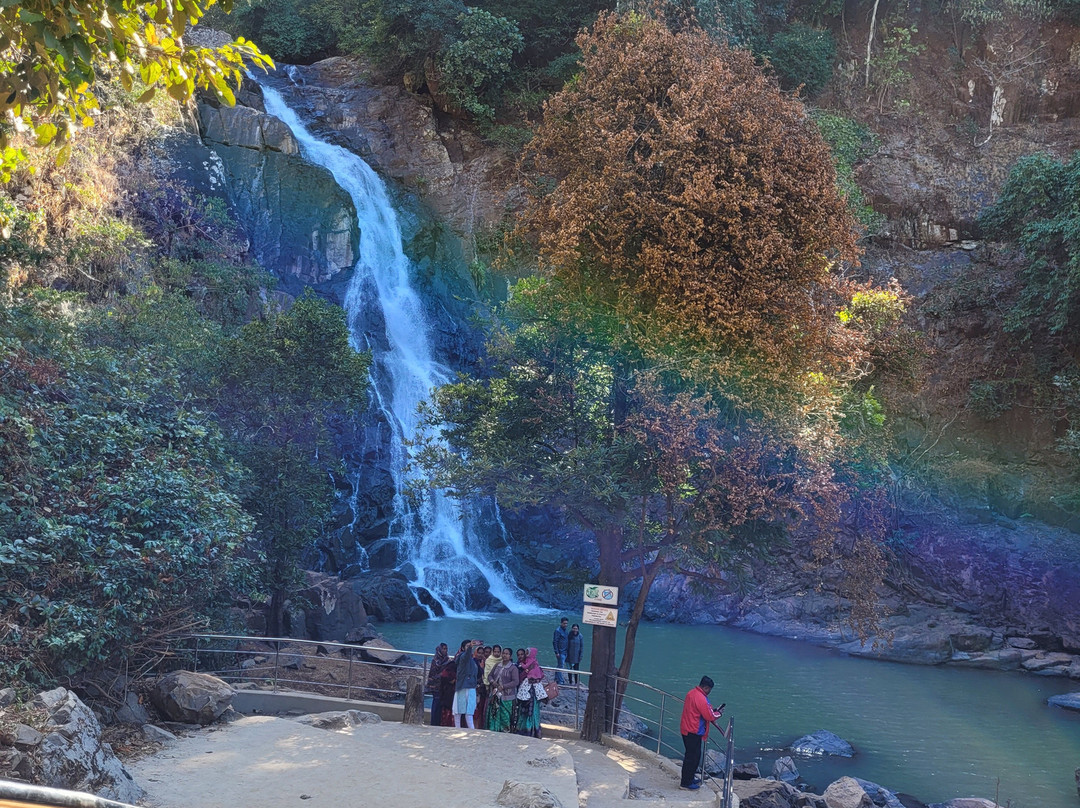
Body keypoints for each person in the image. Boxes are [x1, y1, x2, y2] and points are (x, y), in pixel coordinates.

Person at [679, 676, 725, 790]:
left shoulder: (692, 693)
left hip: (687, 728)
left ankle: (689, 778)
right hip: (693, 731)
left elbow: (701, 711)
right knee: (692, 757)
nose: (710, 692)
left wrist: (713, 711)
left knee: (693, 755)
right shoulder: (701, 698)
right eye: (709, 689)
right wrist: (719, 713)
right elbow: (709, 716)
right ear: (705, 687)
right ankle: (685, 783)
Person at [487, 646, 520, 732]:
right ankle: (494, 730)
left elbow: (516, 682)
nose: (505, 655)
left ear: (510, 656)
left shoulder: (513, 668)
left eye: (507, 654)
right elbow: (489, 675)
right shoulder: (497, 665)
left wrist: (504, 686)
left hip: (507, 697)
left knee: (505, 716)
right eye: (504, 653)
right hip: (495, 695)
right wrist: (492, 682)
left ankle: (505, 733)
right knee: (494, 714)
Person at [516, 647, 545, 738]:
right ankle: (523, 729)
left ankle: (531, 730)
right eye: (518, 655)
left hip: (533, 692)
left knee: (532, 711)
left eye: (522, 654)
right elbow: (518, 679)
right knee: (523, 711)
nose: (520, 656)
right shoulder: (518, 666)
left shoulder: (533, 664)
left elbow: (539, 675)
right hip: (523, 692)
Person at [453, 638, 482, 729]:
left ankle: (471, 730)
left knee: (469, 711)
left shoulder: (472, 660)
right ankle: (457, 729)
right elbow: (466, 655)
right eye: (467, 646)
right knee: (458, 710)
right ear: (462, 648)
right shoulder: (462, 657)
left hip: (471, 687)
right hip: (463, 687)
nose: (470, 647)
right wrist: (470, 647)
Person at [425, 643, 450, 726]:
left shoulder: (447, 659)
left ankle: (439, 722)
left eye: (446, 649)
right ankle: (434, 722)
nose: (445, 650)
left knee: (440, 704)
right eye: (443, 649)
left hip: (443, 686)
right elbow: (432, 674)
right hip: (435, 686)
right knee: (436, 703)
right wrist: (442, 675)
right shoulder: (435, 661)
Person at [552, 617, 570, 684]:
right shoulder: (558, 631)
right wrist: (556, 652)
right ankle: (560, 681)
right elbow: (555, 642)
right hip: (560, 651)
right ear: (561, 623)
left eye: (566, 623)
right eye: (564, 623)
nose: (565, 625)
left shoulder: (566, 630)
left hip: (565, 651)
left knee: (559, 665)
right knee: (561, 666)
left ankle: (556, 678)